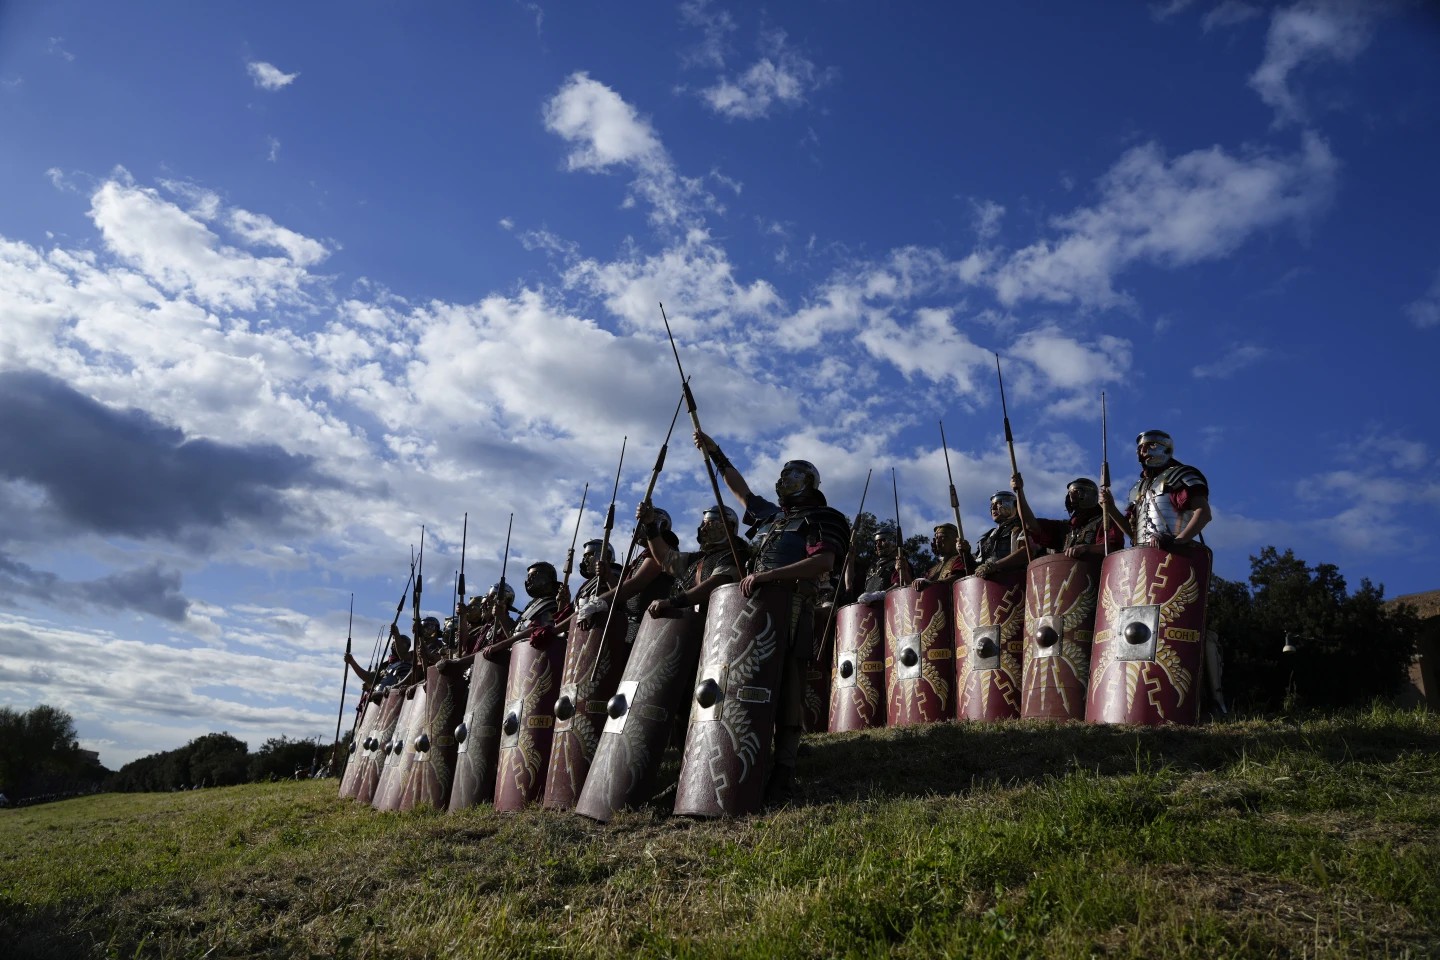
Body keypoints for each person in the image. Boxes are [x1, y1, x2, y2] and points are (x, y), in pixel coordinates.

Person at [694, 430, 850, 805]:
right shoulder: (771, 517)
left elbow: (823, 562)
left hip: (790, 603)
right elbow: (741, 491)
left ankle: (784, 767)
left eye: (791, 475)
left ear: (808, 482)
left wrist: (768, 576)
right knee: (738, 681)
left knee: (787, 685)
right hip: (748, 606)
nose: (782, 481)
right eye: (781, 475)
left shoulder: (824, 517)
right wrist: (716, 453)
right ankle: (740, 760)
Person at [1100, 430, 1212, 549]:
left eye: (1151, 445)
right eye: (1140, 447)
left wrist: (1178, 541)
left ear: (1166, 449)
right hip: (1144, 555)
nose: (1143, 450)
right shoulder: (1138, 487)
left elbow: (1204, 513)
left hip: (1176, 555)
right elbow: (1134, 535)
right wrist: (1111, 508)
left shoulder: (1179, 476)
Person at [638, 502, 746, 618]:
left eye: (710, 524)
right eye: (703, 524)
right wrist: (650, 525)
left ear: (728, 527)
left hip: (720, 623)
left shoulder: (736, 555)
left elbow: (714, 585)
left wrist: (672, 602)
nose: (704, 528)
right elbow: (665, 558)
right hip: (690, 626)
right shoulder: (697, 559)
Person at [1012, 476, 1124, 558]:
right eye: (1070, 493)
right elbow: (1030, 524)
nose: (1072, 496)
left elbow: (1114, 549)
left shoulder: (1105, 520)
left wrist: (1086, 548)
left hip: (1096, 579)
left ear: (1091, 494)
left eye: (1077, 491)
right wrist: (1019, 491)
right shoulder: (1065, 528)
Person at [971, 491, 1028, 579]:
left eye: (999, 503)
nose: (993, 508)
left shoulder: (1023, 527)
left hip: (1016, 580)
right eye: (992, 505)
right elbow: (977, 565)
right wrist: (965, 552)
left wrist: (995, 565)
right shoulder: (989, 536)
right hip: (990, 584)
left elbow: (1026, 552)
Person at [845, 529, 913, 603]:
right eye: (876, 542)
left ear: (893, 543)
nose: (878, 545)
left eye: (882, 540)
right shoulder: (872, 569)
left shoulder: (899, 564)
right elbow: (850, 585)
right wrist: (850, 561)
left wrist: (877, 596)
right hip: (868, 612)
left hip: (888, 609)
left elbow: (900, 586)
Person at [343, 627, 413, 689]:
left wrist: (396, 635)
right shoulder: (386, 666)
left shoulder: (410, 661)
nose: (396, 644)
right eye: (396, 642)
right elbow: (368, 677)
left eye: (402, 643)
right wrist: (352, 662)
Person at [910, 523, 972, 591]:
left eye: (942, 537)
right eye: (936, 538)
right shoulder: (932, 570)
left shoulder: (962, 559)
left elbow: (958, 577)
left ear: (955, 540)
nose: (937, 541)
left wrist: (933, 584)